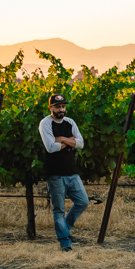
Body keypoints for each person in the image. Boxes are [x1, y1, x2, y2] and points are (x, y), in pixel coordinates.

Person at [37, 94, 89, 250]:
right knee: (58, 209)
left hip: (72, 172)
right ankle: (65, 243)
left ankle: (64, 229)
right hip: (55, 173)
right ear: (51, 108)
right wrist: (70, 140)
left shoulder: (70, 122)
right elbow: (50, 147)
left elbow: (80, 144)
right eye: (58, 107)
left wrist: (62, 139)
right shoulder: (45, 123)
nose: (61, 109)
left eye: (63, 106)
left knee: (83, 202)